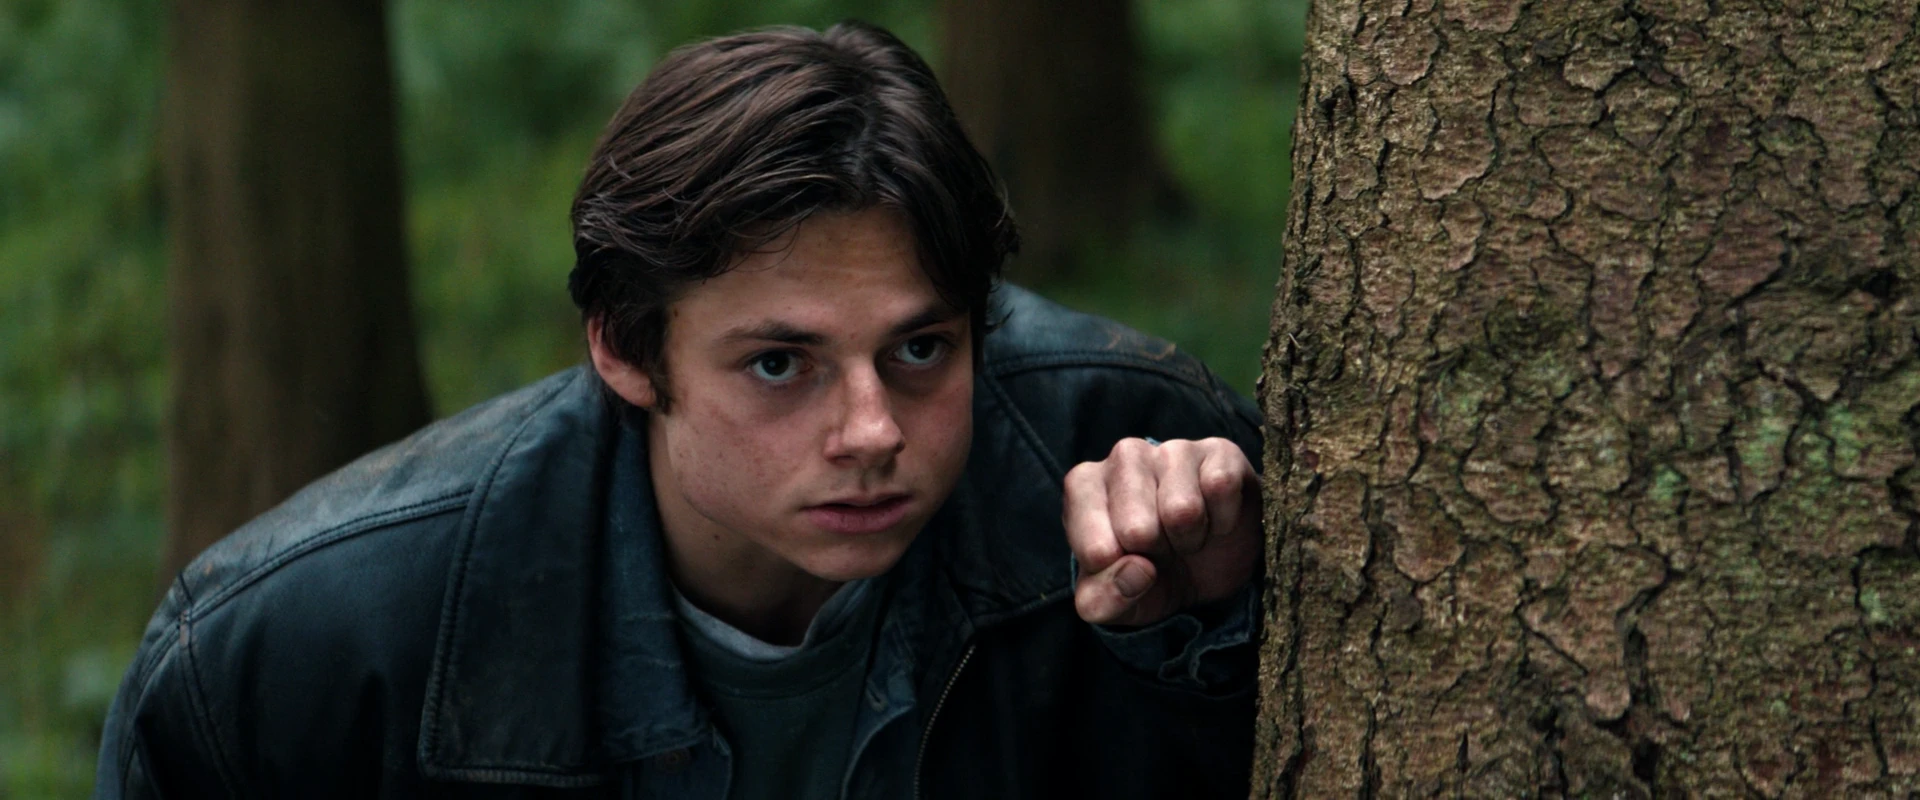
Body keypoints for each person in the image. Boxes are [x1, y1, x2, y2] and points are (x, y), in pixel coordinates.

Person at [96, 21, 1264, 800]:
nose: (872, 429)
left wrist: (1208, 636)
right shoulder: (300, 658)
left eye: (920, 347)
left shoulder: (1148, 460)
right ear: (624, 347)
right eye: (780, 363)